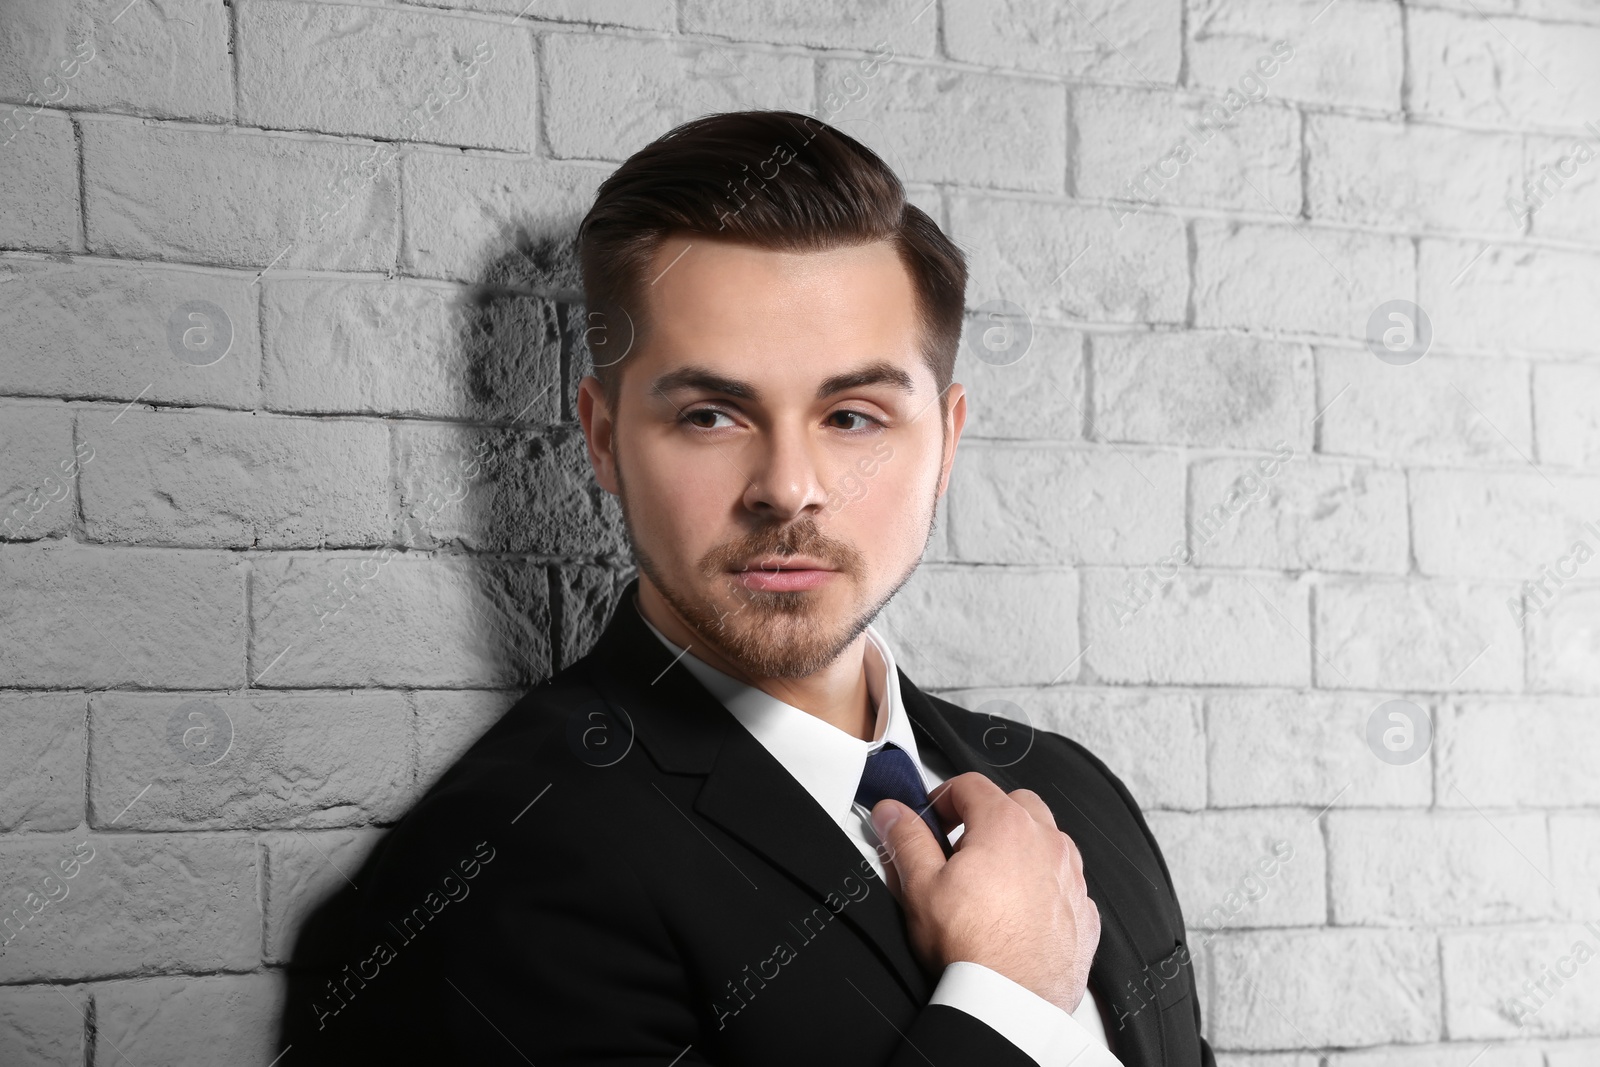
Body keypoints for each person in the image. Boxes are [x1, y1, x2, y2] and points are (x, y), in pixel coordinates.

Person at [278, 109, 1213, 1067]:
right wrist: (1005, 997)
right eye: (713, 414)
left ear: (947, 443)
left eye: (852, 416)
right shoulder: (500, 869)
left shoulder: (1078, 798)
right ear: (603, 439)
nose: (789, 488)